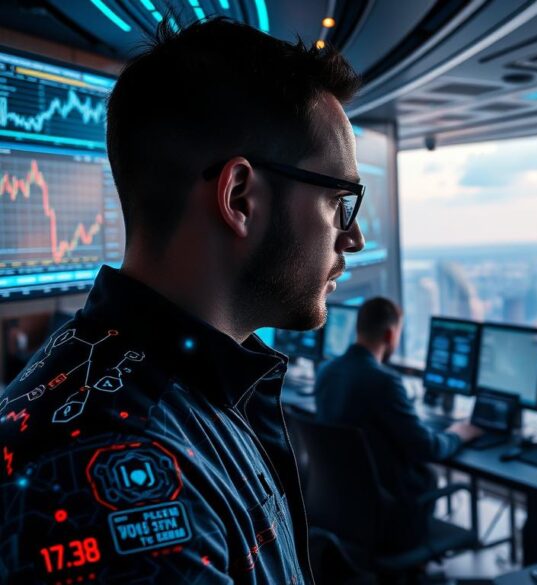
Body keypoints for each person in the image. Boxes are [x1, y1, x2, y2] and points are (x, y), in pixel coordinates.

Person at [0, 17, 364, 584]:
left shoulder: (171, 383)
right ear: (240, 197)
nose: (353, 237)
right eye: (338, 200)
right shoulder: (119, 477)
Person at [314, 297, 482, 552]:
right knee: (428, 475)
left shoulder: (326, 372)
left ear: (358, 328)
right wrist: (459, 433)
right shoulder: (384, 382)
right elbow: (427, 448)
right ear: (391, 335)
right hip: (391, 522)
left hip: (343, 512)